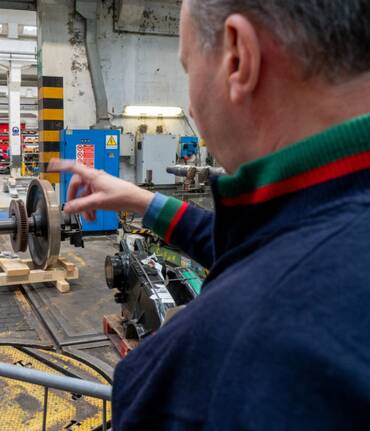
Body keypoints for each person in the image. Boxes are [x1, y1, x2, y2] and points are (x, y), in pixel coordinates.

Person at [49, 0, 370, 429]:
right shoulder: (336, 221)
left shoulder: (203, 372)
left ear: (239, 57)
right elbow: (261, 246)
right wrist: (142, 201)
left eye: (187, 67)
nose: (192, 107)